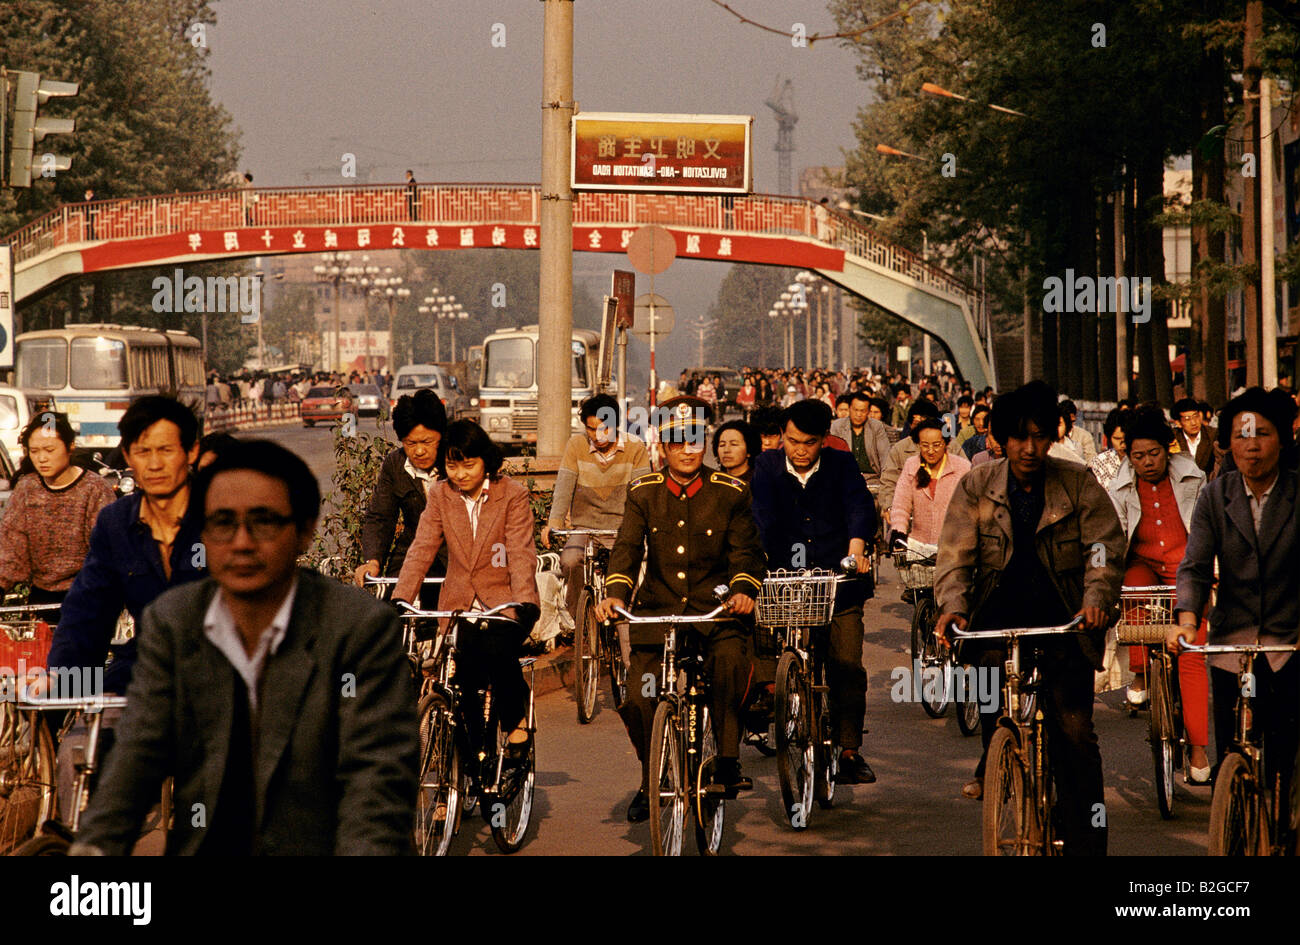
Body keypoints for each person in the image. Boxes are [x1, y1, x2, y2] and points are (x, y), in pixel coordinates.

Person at [71, 440, 418, 855]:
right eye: (221, 523)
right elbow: (135, 759)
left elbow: (376, 788)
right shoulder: (175, 623)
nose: (241, 543)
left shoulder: (359, 630)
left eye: (264, 522)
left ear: (305, 531)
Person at [934, 380, 1124, 855]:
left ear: (1052, 437)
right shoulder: (976, 485)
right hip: (994, 617)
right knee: (994, 712)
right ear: (1001, 438)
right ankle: (999, 766)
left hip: (1066, 620)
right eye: (1018, 437)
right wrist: (952, 607)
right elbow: (955, 554)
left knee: (1074, 733)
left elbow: (1103, 547)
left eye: (1039, 436)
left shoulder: (1077, 482)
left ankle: (1085, 842)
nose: (1029, 448)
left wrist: (1097, 597)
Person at [594, 396, 765, 822]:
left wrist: (742, 591)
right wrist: (615, 593)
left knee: (729, 663)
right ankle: (650, 774)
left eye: (695, 441)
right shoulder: (643, 491)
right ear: (663, 447)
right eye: (677, 442)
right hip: (658, 611)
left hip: (716, 608)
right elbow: (628, 549)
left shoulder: (731, 492)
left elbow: (747, 553)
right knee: (638, 697)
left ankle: (726, 759)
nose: (688, 451)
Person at [1172, 387, 1299, 836]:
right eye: (1241, 435)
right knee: (1233, 751)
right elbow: (1195, 565)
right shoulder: (1214, 496)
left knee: (1284, 757)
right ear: (1228, 441)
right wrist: (1187, 618)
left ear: (1282, 439)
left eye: (1262, 434)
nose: (1251, 445)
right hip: (1231, 643)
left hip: (1289, 641)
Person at [393, 421, 541, 759]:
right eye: (451, 464)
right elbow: (422, 549)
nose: (459, 474)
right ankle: (472, 761)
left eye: (468, 464)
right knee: (462, 684)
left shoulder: (512, 495)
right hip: (458, 603)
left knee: (497, 651)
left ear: (486, 461)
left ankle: (516, 722)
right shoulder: (441, 496)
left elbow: (519, 553)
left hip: (503, 602)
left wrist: (524, 602)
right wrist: (401, 597)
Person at [751, 399, 878, 785]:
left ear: (824, 439)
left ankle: (849, 749)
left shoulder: (841, 466)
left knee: (846, 664)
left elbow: (860, 508)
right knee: (765, 645)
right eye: (792, 441)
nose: (799, 450)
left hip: (837, 581)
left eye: (808, 442)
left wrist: (856, 550)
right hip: (785, 580)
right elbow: (759, 518)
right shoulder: (767, 468)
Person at [45, 397, 208, 695]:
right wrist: (60, 681)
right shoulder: (116, 523)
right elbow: (88, 613)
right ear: (127, 456)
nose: (155, 464)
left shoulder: (222, 514)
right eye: (143, 452)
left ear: (191, 452)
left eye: (166, 450)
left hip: (222, 676)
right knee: (84, 723)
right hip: (145, 672)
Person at [1104, 404, 1210, 781]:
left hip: (1188, 574)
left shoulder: (1194, 480)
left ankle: (1198, 749)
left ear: (1168, 449)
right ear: (1127, 456)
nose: (1147, 462)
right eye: (1138, 456)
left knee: (1191, 655)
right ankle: (1139, 674)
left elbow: (1208, 532)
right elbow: (1112, 536)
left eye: (1154, 453)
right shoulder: (1118, 486)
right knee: (1132, 587)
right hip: (1143, 566)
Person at [543, 394, 651, 624]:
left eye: (604, 429)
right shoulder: (576, 445)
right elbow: (564, 488)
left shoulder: (635, 448)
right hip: (585, 528)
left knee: (627, 572)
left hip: (622, 529)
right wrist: (554, 524)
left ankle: (625, 621)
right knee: (570, 560)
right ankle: (581, 619)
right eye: (591, 429)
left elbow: (644, 495)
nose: (597, 436)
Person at [0, 412, 115, 617]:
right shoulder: (27, 488)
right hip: (41, 600)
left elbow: (106, 552)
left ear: (70, 446)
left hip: (88, 597)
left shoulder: (94, 489)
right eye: (34, 451)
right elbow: (11, 548)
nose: (42, 458)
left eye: (49, 450)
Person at [355, 390, 449, 591]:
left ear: (441, 437)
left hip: (457, 556)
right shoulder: (395, 464)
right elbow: (380, 517)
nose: (419, 451)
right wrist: (373, 560)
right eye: (411, 443)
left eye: (426, 442)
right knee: (392, 606)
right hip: (412, 552)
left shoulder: (458, 463)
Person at [888, 417, 971, 548]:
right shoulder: (911, 466)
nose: (931, 451)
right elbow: (901, 505)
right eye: (925, 445)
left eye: (936, 445)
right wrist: (899, 531)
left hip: (954, 546)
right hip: (918, 546)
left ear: (946, 443)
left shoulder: (962, 467)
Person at [830, 390, 891, 484]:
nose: (858, 415)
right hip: (844, 479)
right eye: (855, 410)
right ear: (849, 408)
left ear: (868, 411)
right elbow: (832, 457)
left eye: (863, 411)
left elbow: (885, 457)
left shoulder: (876, 426)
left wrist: (885, 482)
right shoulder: (837, 426)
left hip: (873, 478)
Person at [1087, 407, 1128, 491]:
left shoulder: (1139, 461)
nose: (1123, 444)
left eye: (1126, 439)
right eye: (1117, 439)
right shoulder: (1100, 462)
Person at [1171, 396, 1214, 475]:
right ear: (1178, 423)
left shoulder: (1212, 435)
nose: (1193, 422)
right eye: (1187, 419)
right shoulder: (1172, 437)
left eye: (1195, 416)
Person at [713, 419, 759, 483]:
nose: (726, 450)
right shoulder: (714, 481)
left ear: (749, 450)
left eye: (734, 444)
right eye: (722, 445)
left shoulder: (759, 481)